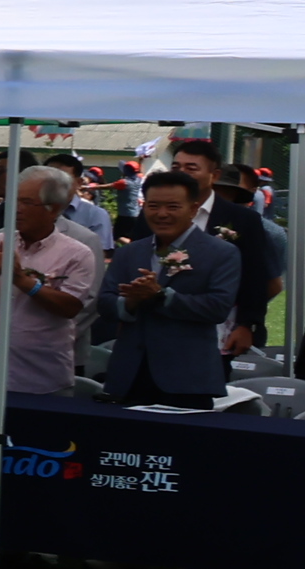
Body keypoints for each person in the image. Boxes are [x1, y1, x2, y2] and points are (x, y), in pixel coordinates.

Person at [98, 171, 240, 408]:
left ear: (193, 209)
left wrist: (161, 295)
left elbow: (217, 308)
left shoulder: (221, 253)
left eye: (173, 206)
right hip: (129, 374)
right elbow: (104, 303)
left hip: (187, 378)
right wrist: (131, 302)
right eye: (153, 206)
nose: (161, 214)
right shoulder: (129, 252)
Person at [0, 167, 99, 398]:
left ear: (53, 209)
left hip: (44, 380)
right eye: (14, 201)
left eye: (26, 202)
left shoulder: (77, 253)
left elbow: (70, 307)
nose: (16, 209)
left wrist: (22, 280)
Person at [167, 137, 281, 355]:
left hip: (219, 325)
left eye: (191, 168)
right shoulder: (154, 213)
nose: (181, 173)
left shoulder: (242, 220)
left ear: (214, 175)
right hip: (163, 317)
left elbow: (254, 276)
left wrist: (247, 324)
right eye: (176, 167)